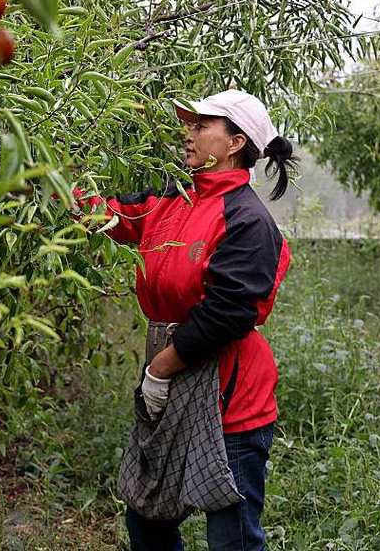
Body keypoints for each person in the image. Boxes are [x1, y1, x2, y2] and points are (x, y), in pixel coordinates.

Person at [73, 89, 296, 551]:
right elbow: (111, 216)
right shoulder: (172, 198)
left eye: (201, 126)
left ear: (235, 144)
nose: (187, 133)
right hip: (172, 381)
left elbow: (228, 313)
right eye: (189, 124)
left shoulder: (248, 221)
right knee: (147, 517)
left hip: (229, 395)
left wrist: (159, 370)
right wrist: (49, 180)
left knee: (230, 533)